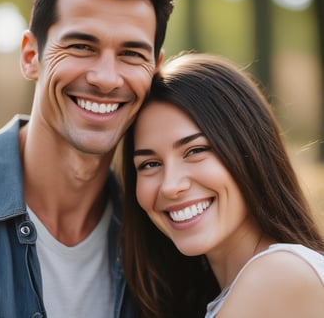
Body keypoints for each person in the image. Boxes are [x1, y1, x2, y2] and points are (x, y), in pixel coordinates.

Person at [0, 0, 174, 317]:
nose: (105, 78)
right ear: (30, 56)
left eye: (132, 54)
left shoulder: (164, 236)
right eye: (82, 45)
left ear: (155, 69)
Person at [121, 52, 324, 318]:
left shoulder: (279, 273)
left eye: (195, 151)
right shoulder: (226, 290)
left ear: (250, 149)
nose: (170, 186)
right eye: (149, 164)